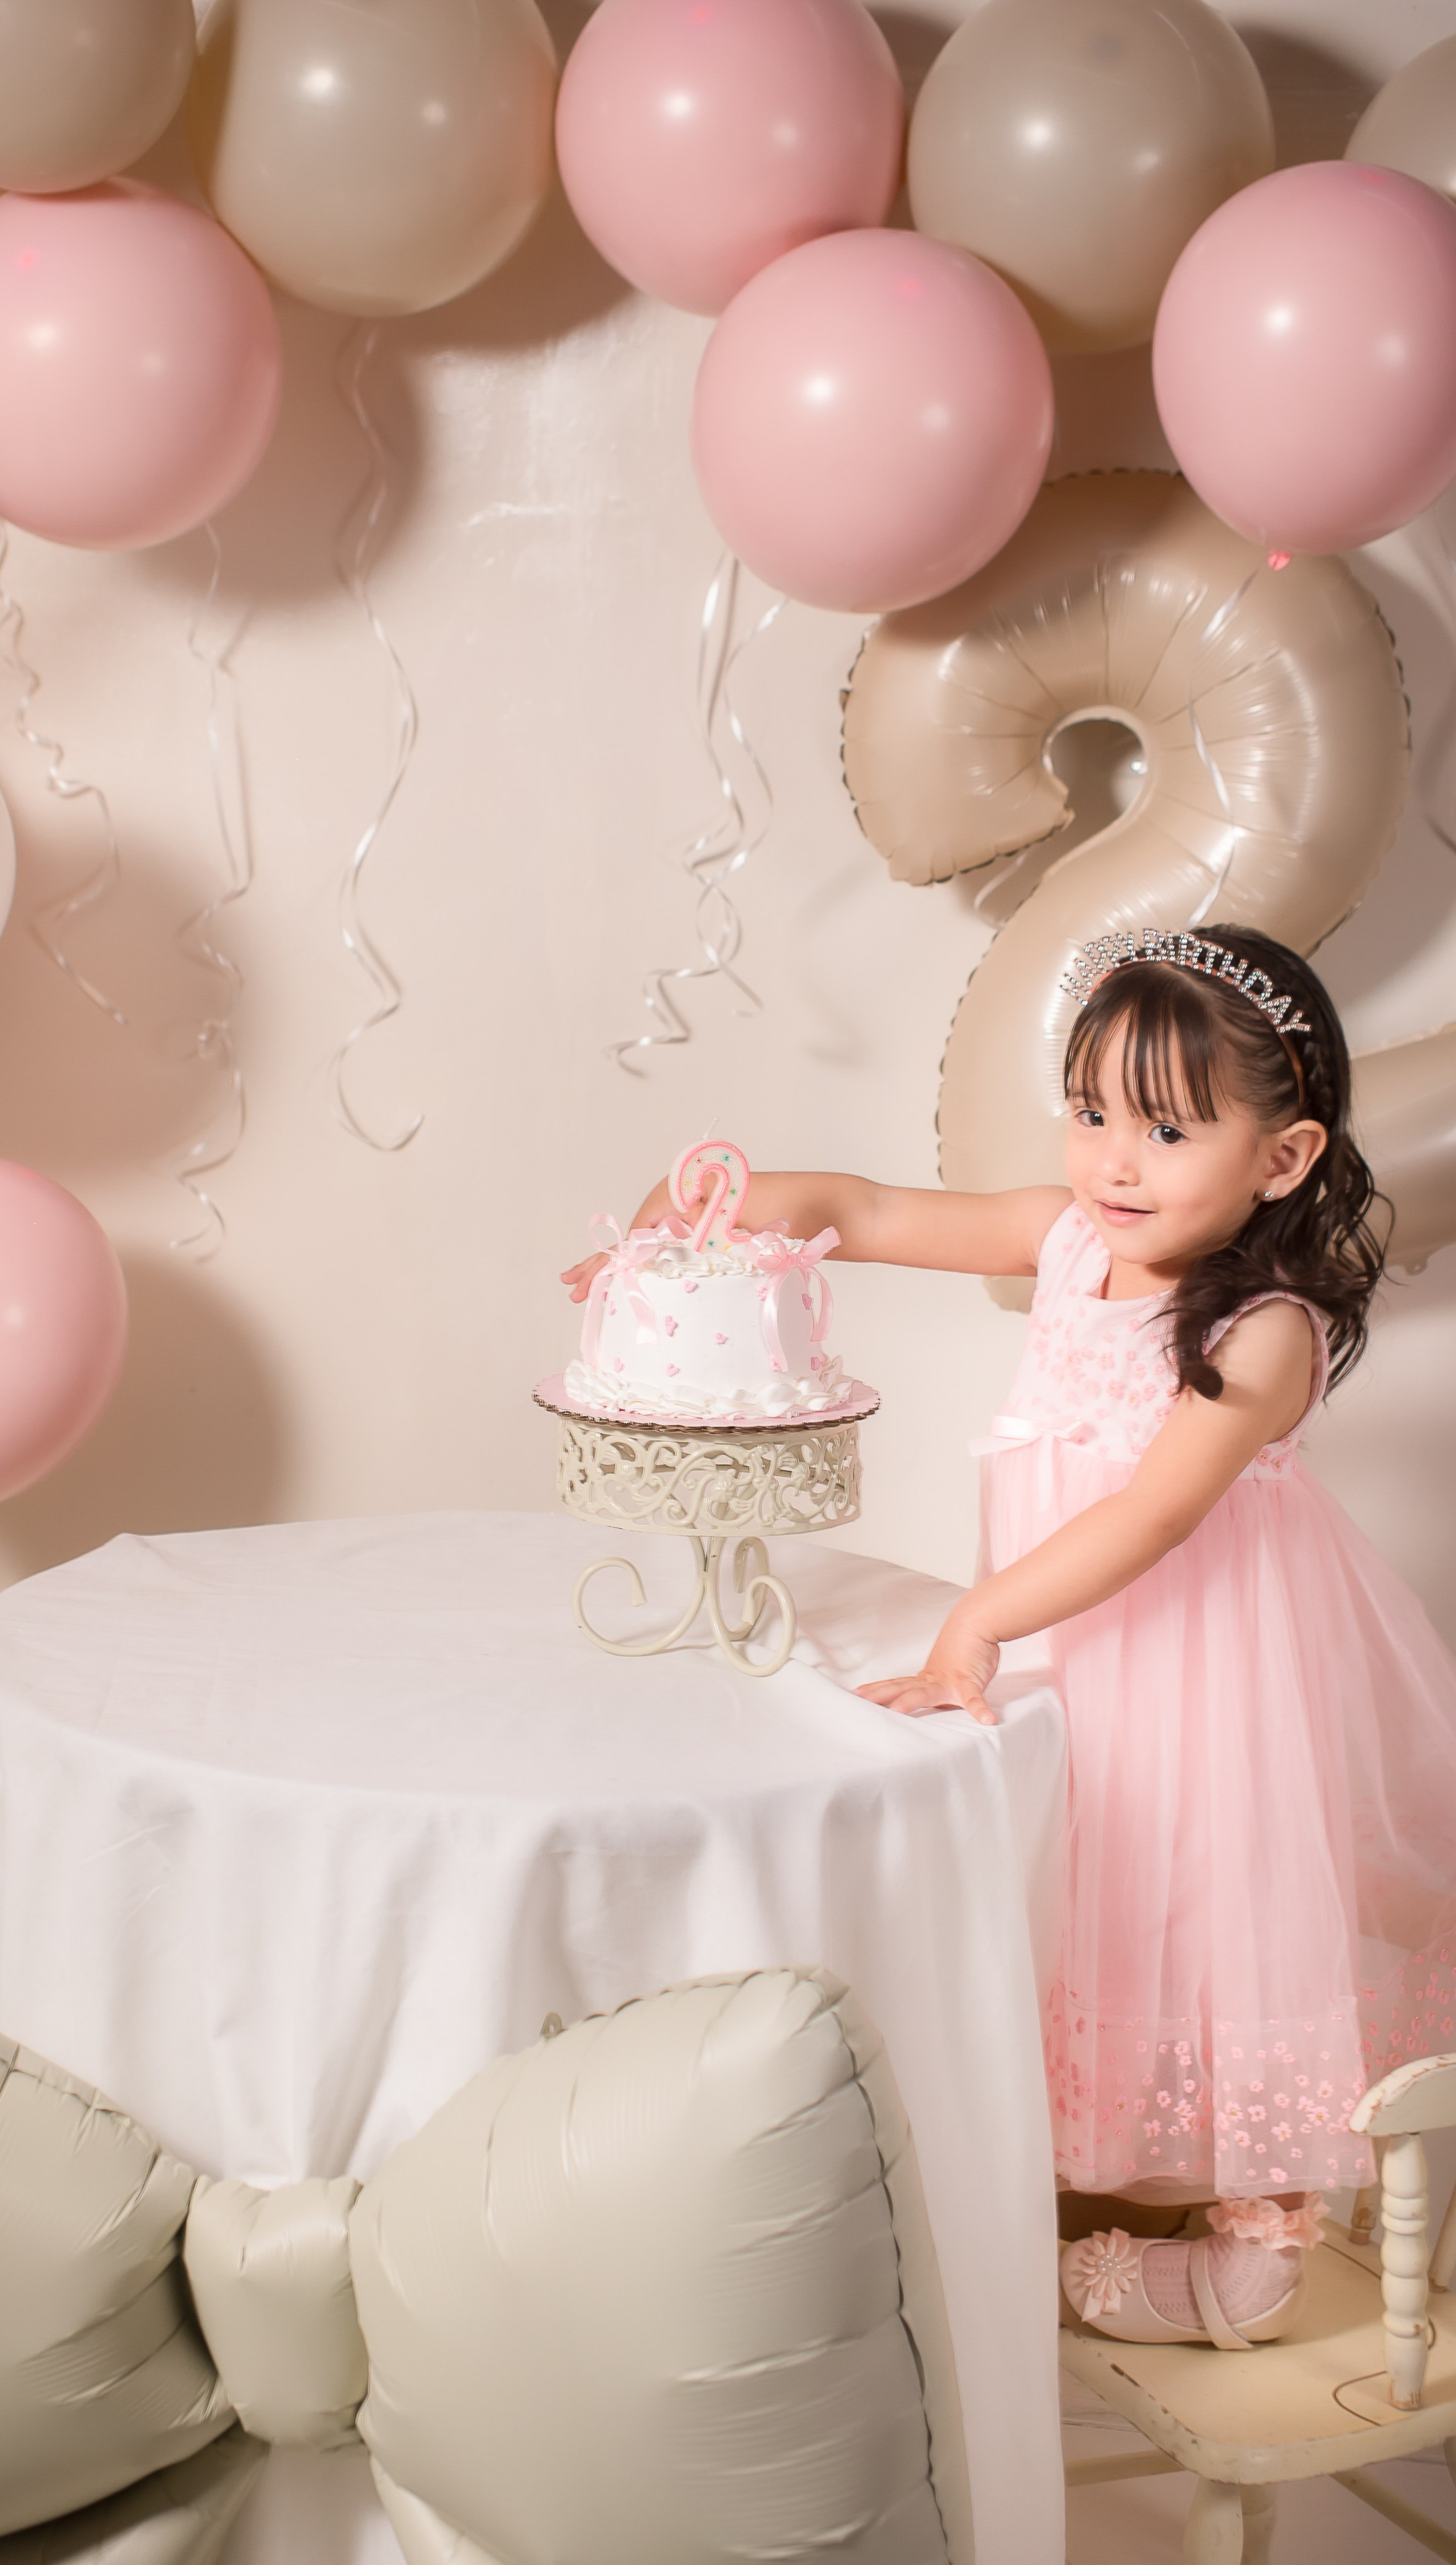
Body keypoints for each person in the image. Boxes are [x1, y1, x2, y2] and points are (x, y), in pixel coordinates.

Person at [561, 924, 1456, 2349]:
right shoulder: (1063, 1239)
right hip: (1073, 1657)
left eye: (1168, 1130)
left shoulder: (1260, 1328)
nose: (1114, 1162)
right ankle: (1074, 2188)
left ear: (1280, 1160)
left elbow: (1154, 1516)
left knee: (1203, 1906)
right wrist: (685, 1217)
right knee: (1077, 1892)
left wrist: (974, 1618)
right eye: (1091, 1112)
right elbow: (858, 1209)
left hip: (1199, 1675)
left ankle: (1258, 2244)